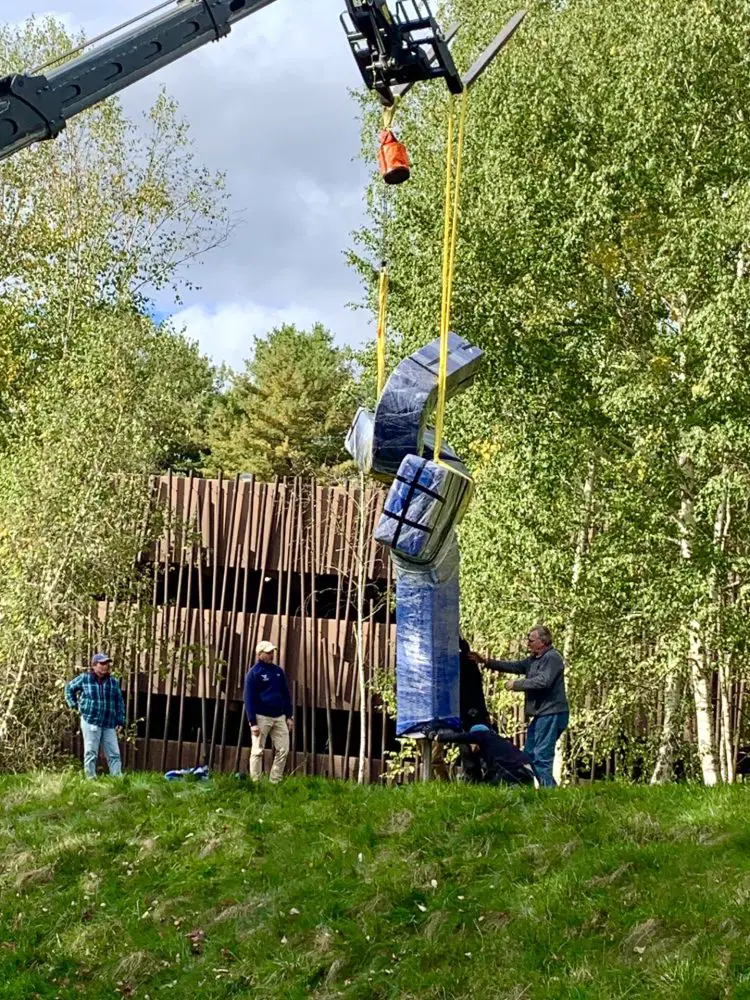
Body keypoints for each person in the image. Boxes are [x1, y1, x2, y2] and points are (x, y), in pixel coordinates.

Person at [471, 625, 568, 788]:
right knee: (528, 755)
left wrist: (516, 684)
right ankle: (528, 789)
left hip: (552, 712)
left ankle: (551, 795)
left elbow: (543, 681)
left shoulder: (552, 658)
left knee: (541, 757)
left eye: (531, 640)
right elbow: (514, 666)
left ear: (542, 641)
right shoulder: (533, 660)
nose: (528, 644)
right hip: (541, 714)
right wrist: (485, 661)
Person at [64, 652, 125, 779]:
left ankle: (117, 779)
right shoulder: (84, 678)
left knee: (114, 753)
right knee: (91, 752)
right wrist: (74, 705)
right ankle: (90, 779)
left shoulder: (113, 682)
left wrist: (120, 720)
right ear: (94, 665)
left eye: (107, 664)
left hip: (109, 723)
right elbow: (69, 688)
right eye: (102, 663)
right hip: (90, 720)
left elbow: (119, 702)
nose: (105, 666)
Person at [244, 639, 294, 783]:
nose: (272, 655)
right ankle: (256, 782)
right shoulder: (254, 673)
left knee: (283, 749)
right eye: (268, 652)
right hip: (261, 717)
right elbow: (248, 698)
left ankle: (275, 781)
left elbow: (285, 694)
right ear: (260, 654)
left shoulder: (278, 671)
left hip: (279, 716)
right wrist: (252, 722)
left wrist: (289, 715)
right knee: (258, 750)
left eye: (272, 652)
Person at [427, 723, 537, 786]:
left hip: (514, 773)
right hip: (528, 771)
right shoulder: (499, 741)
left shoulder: (481, 735)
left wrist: (437, 737)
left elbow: (459, 737)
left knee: (486, 787)